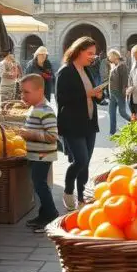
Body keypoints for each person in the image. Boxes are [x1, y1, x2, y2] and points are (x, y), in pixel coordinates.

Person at [55, 36, 103, 210]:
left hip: (89, 123)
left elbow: (91, 95)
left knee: (86, 162)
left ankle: (82, 197)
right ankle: (68, 190)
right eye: (90, 53)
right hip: (72, 124)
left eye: (94, 55)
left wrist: (99, 95)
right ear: (79, 51)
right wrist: (87, 95)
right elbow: (61, 99)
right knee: (80, 160)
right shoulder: (65, 71)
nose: (92, 57)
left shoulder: (86, 70)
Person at [18, 74, 60, 232]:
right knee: (38, 184)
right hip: (36, 155)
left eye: (27, 92)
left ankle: (51, 215)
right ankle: (43, 213)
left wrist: (30, 135)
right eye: (21, 92)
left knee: (40, 185)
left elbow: (52, 136)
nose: (23, 95)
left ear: (40, 90)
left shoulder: (45, 110)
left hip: (43, 156)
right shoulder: (35, 109)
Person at [106, 50, 131, 134]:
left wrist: (124, 92)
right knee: (111, 112)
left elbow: (125, 80)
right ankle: (112, 132)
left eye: (110, 56)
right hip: (112, 93)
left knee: (122, 112)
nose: (108, 58)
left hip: (119, 93)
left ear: (114, 56)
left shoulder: (122, 65)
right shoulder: (114, 65)